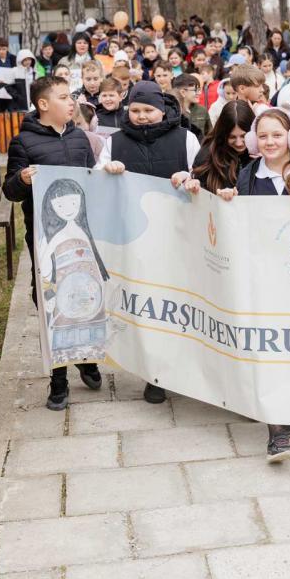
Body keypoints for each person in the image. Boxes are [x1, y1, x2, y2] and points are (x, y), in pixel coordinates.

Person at [211, 107, 290, 462]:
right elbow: (239, 226)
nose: (270, 142)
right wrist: (228, 203)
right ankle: (278, 433)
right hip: (264, 279)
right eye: (263, 136)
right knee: (269, 351)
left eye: (277, 135)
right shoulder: (248, 176)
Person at [96, 79, 201, 405]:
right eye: (136, 110)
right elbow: (97, 179)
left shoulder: (185, 138)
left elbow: (202, 174)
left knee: (179, 304)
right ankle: (154, 375)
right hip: (137, 238)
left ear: (162, 110)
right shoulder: (115, 142)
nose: (141, 116)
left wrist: (190, 178)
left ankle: (183, 366)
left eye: (148, 110)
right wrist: (107, 170)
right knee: (148, 307)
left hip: (178, 235)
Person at [2, 75, 102, 410]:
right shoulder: (23, 143)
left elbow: (92, 180)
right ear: (43, 104)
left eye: (71, 96)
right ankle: (58, 380)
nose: (71, 102)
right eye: (63, 97)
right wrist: (21, 179)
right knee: (51, 302)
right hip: (45, 240)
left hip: (82, 236)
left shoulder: (80, 138)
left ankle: (86, 359)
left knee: (85, 293)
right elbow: (10, 191)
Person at [190, 101, 255, 193]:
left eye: (244, 136)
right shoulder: (208, 155)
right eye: (232, 137)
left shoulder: (262, 154)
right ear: (223, 134)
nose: (239, 143)